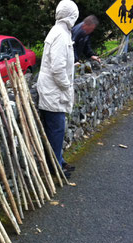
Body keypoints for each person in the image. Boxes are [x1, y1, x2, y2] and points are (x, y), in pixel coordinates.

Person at [37, 0, 79, 178]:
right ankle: (55, 166)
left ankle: (58, 161)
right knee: (56, 130)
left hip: (52, 90)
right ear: (72, 15)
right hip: (54, 91)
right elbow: (58, 68)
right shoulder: (61, 35)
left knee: (55, 129)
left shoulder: (60, 31)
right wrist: (66, 86)